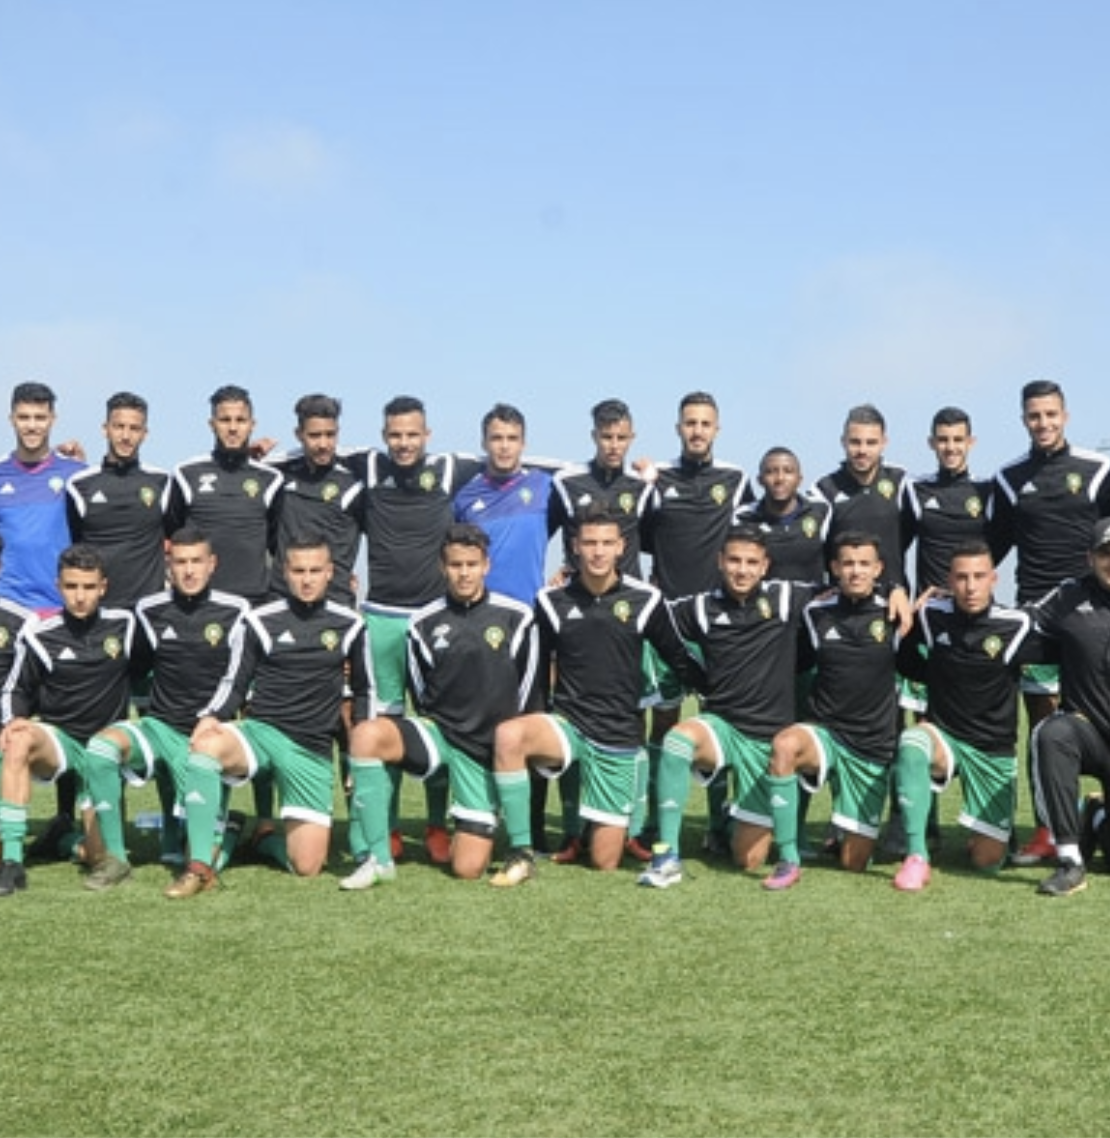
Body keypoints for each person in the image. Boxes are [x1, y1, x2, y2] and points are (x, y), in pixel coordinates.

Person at [488, 504, 705, 888]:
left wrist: (716, 694)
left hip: (617, 733)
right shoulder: (551, 601)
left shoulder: (645, 599)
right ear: (575, 547)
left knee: (604, 862)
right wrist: (536, 716)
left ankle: (602, 815)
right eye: (589, 543)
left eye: (606, 543)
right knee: (509, 735)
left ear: (621, 547)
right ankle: (521, 851)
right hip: (568, 725)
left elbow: (678, 657)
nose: (598, 552)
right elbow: (537, 672)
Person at [163, 533, 373, 897]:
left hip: (311, 748)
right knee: (206, 748)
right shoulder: (260, 620)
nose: (306, 579)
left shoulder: (351, 624)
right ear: (285, 572)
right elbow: (235, 681)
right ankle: (198, 867)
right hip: (261, 732)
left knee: (306, 867)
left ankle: (259, 841)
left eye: (314, 571)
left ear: (330, 572)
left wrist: (358, 752)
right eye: (298, 571)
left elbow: (365, 691)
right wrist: (211, 717)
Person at [340, 524, 539, 888]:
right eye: (455, 565)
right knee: (367, 735)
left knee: (467, 868)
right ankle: (377, 859)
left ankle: (490, 818)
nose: (464, 573)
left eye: (471, 564)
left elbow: (528, 694)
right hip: (441, 736)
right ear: (442, 568)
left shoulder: (517, 616)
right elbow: (421, 694)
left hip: (486, 751)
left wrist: (504, 753)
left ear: (486, 566)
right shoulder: (421, 622)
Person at [346, 396, 482, 865]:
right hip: (381, 619)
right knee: (382, 726)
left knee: (437, 723)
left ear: (427, 435)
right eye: (395, 435)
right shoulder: (368, 465)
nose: (404, 443)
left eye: (412, 434)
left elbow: (517, 461)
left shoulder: (449, 469)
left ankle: (436, 825)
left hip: (432, 620)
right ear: (384, 436)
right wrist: (260, 455)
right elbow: (311, 455)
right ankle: (386, 828)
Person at [637, 526, 813, 887]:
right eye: (734, 560)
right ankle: (666, 855)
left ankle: (732, 817)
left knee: (748, 859)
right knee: (677, 740)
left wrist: (896, 590)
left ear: (765, 566)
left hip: (767, 740)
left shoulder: (785, 597)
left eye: (751, 562)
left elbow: (842, 587)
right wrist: (692, 675)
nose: (742, 570)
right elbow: (652, 618)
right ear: (720, 561)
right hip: (723, 728)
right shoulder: (701, 607)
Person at [76, 527, 251, 885]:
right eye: (180, 562)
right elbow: (132, 669)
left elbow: (239, 680)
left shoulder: (237, 611)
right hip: (158, 728)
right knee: (101, 749)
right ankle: (116, 860)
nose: (189, 571)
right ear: (168, 565)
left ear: (212, 564)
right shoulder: (149, 610)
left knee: (199, 863)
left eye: (197, 561)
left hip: (209, 737)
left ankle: (229, 827)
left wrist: (213, 718)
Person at [990, 379, 1110, 865]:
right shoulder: (1009, 478)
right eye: (1034, 415)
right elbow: (990, 546)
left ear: (1065, 415)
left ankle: (1095, 815)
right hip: (1041, 619)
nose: (1043, 423)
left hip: (1094, 617)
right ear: (1024, 419)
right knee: (1045, 727)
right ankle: (1048, 829)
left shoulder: (1098, 469)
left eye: (1051, 414)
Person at [637, 391, 754, 859]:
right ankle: (653, 820)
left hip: (715, 624)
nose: (697, 431)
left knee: (718, 720)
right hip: (666, 621)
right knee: (662, 722)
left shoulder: (736, 480)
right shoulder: (656, 479)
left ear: (717, 429)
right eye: (690, 423)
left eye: (705, 423)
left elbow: (752, 541)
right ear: (678, 428)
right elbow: (633, 538)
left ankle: (719, 824)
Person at [891, 540, 1043, 891]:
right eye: (961, 577)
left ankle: (990, 832)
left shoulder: (1016, 625)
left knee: (987, 863)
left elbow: (1068, 652)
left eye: (978, 576)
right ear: (949, 580)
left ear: (994, 579)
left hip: (992, 750)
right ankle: (916, 855)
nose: (970, 586)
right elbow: (907, 663)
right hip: (945, 738)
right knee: (912, 742)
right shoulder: (932, 615)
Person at [761, 531, 902, 891]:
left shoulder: (895, 614)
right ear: (835, 568)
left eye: (864, 564)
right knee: (785, 746)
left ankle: (845, 828)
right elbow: (793, 661)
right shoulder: (815, 611)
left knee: (854, 863)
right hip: (825, 731)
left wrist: (900, 590)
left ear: (878, 569)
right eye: (848, 564)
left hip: (871, 744)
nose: (856, 571)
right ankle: (788, 858)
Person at [0, 545, 138, 896]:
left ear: (103, 587)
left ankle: (65, 840)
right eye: (72, 586)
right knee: (17, 739)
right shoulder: (39, 634)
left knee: (97, 856)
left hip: (104, 752)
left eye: (89, 587)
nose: (80, 596)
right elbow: (16, 688)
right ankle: (12, 862)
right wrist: (14, 719)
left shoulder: (126, 625)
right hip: (61, 743)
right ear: (59, 586)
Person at [0, 381, 87, 847]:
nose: (32, 426)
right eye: (24, 417)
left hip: (60, 613)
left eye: (40, 417)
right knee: (9, 716)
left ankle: (66, 818)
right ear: (11, 419)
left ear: (52, 419)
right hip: (10, 612)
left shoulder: (75, 474)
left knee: (65, 716)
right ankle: (9, 820)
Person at [1026, 517, 1110, 897]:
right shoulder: (1070, 595)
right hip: (1088, 731)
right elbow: (1024, 623)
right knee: (1053, 732)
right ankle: (1071, 860)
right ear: (1090, 558)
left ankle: (1096, 817)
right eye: (1106, 553)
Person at [167, 384, 284, 606]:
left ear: (252, 425)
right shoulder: (186, 474)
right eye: (224, 420)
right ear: (212, 424)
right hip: (200, 601)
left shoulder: (271, 479)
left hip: (254, 601)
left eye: (240, 420)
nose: (233, 428)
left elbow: (277, 544)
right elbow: (172, 534)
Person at [66, 391, 171, 608]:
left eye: (134, 428)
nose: (125, 436)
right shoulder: (79, 485)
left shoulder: (162, 482)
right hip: (99, 612)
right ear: (105, 429)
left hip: (148, 610)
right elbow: (72, 545)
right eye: (119, 426)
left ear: (145, 433)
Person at [267, 394, 365, 606]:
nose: (323, 444)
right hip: (282, 599)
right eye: (314, 435)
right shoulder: (276, 472)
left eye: (330, 435)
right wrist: (249, 456)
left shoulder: (355, 478)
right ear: (299, 434)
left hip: (335, 601)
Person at [734, 446, 830, 587]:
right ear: (760, 480)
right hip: (763, 600)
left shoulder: (821, 511)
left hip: (810, 599)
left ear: (799, 479)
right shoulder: (743, 517)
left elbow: (838, 559)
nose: (780, 478)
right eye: (771, 472)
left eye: (788, 471)